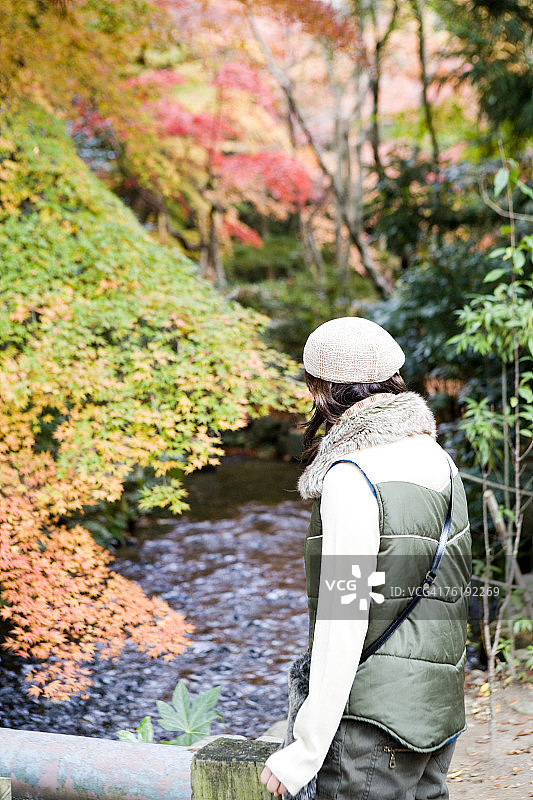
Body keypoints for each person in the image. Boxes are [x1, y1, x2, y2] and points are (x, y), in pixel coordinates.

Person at [260, 317, 471, 800]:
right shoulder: (439, 458)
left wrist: (306, 749)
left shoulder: (352, 476)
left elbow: (344, 618)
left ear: (320, 390)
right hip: (437, 715)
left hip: (371, 732)